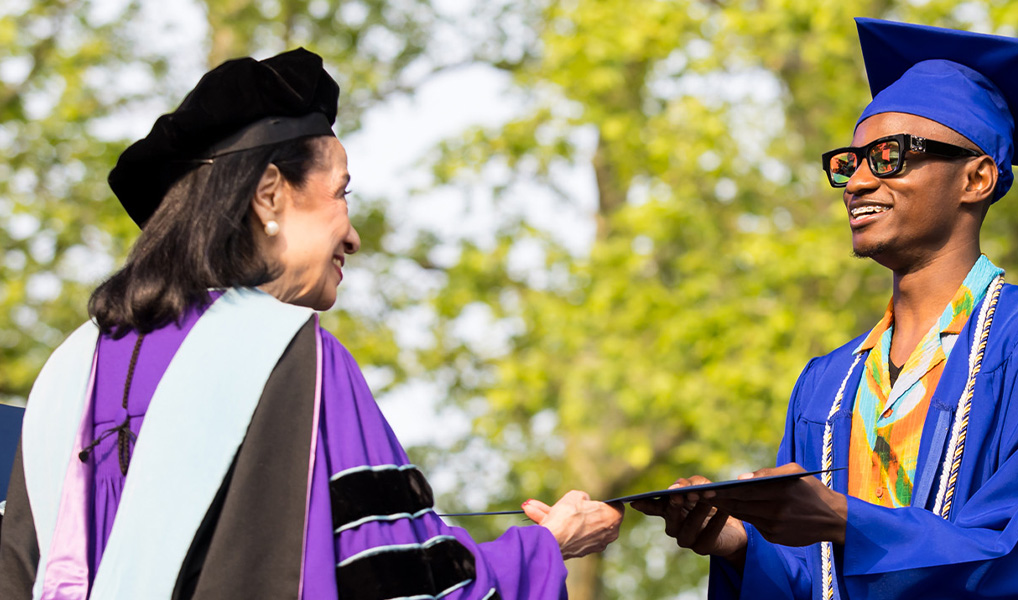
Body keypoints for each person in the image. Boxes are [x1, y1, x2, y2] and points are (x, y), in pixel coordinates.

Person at [0, 48, 623, 600]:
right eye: (341, 193)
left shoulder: (70, 371)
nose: (352, 232)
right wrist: (547, 549)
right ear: (269, 194)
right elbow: (400, 585)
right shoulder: (295, 362)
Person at [634, 18, 1018, 599]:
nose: (858, 181)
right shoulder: (828, 383)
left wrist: (844, 520)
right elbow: (815, 579)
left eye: (889, 157)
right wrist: (742, 543)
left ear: (977, 178)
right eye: (849, 162)